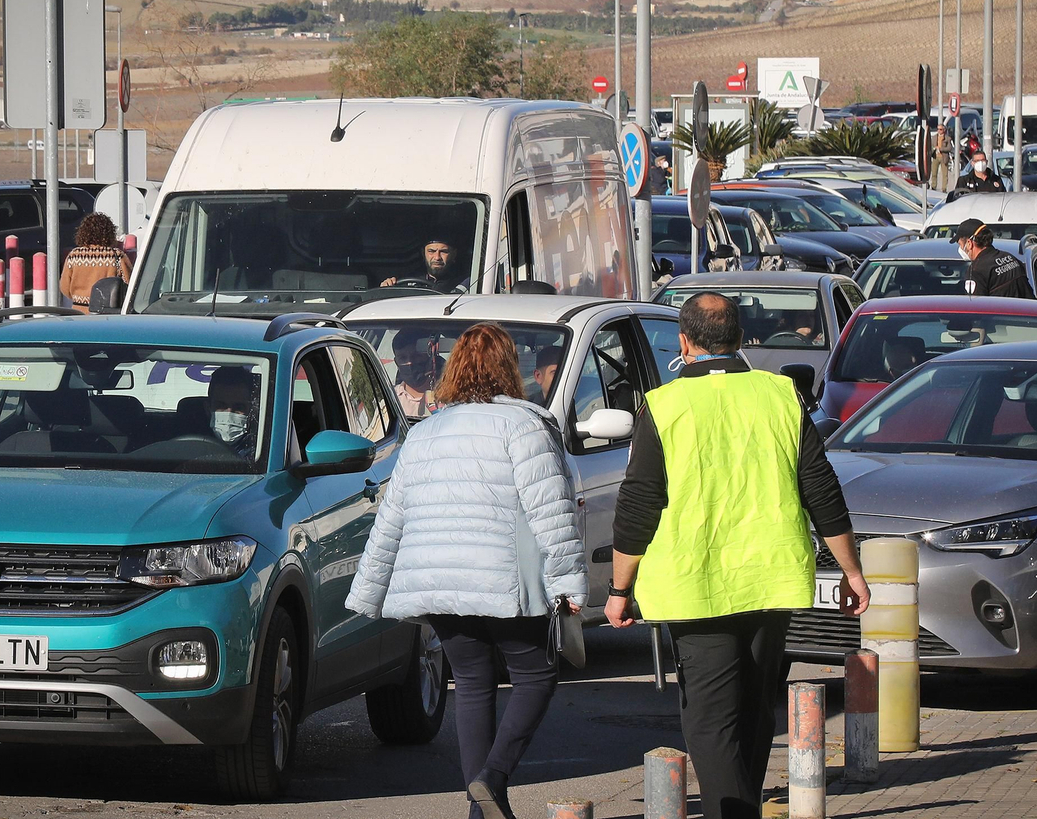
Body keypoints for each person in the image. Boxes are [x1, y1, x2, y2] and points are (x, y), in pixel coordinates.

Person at [606, 293, 870, 819]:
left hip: (694, 586)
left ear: (684, 342)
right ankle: (742, 806)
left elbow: (639, 505)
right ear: (740, 339)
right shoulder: (781, 395)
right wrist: (852, 572)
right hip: (770, 580)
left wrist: (619, 590)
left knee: (709, 720)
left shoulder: (664, 405)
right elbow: (821, 488)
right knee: (753, 709)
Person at [347, 324, 588, 819]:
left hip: (440, 588)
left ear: (453, 369)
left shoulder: (425, 433)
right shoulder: (526, 427)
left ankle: (482, 811)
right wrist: (568, 583)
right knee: (537, 674)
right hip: (503, 583)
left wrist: (370, 588)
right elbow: (552, 512)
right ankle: (493, 779)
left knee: (473, 685)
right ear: (510, 370)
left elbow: (392, 516)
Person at [60, 213, 132, 313]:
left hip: (78, 313)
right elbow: (130, 285)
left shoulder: (74, 255)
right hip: (107, 314)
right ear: (109, 234)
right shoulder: (116, 256)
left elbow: (64, 288)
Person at [953, 218, 1035, 299]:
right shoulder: (1010, 258)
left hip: (1002, 312)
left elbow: (975, 307)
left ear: (969, 243)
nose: (960, 248)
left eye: (960, 244)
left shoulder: (976, 271)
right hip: (1027, 310)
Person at [205, 365, 258, 459]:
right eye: (221, 405)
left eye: (239, 407)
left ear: (251, 411)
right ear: (208, 408)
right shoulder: (186, 448)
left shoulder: (261, 451)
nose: (229, 413)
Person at [392, 330, 442, 419]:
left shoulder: (449, 396)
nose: (409, 362)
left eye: (416, 356)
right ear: (396, 362)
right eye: (403, 358)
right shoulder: (390, 400)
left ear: (430, 357)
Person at [382, 239, 463, 292]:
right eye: (431, 251)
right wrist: (387, 289)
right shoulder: (408, 281)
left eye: (444, 251)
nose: (437, 257)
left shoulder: (465, 282)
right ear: (423, 254)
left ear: (454, 254)